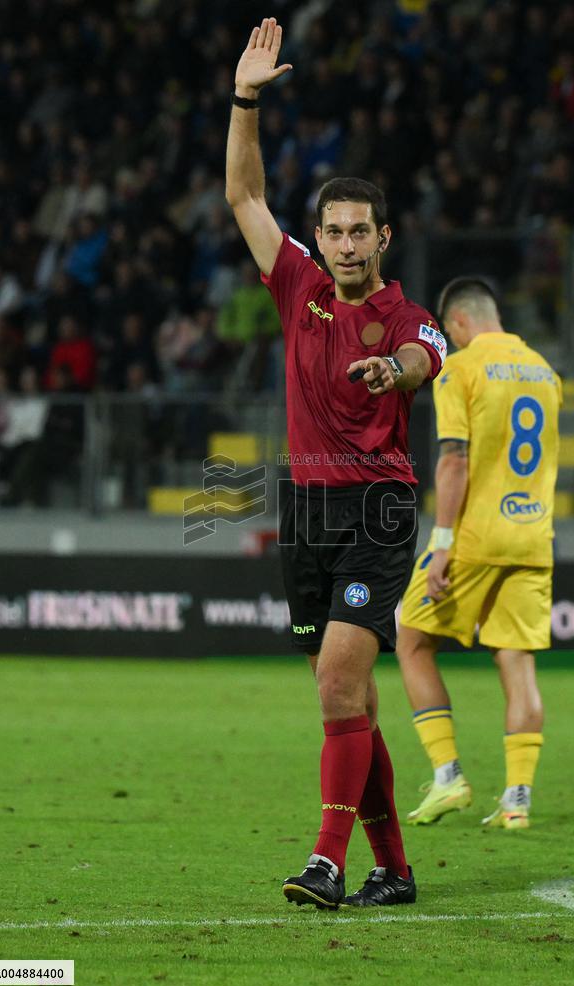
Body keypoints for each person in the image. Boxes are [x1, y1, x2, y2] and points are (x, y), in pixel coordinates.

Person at [225, 17, 446, 909]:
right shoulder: (298, 287)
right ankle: (394, 868)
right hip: (307, 514)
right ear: (318, 237)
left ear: (384, 239)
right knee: (344, 696)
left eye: (362, 232)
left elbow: (427, 358)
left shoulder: (403, 314)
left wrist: (393, 370)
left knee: (339, 683)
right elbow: (244, 199)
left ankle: (326, 859)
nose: (347, 245)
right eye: (334, 231)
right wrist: (244, 99)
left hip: (380, 510)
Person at [397, 277, 562, 831]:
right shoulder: (545, 372)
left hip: (475, 538)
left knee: (412, 640)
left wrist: (440, 545)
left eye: (448, 332)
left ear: (459, 322)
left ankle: (448, 776)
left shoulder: (461, 369)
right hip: (533, 537)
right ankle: (517, 800)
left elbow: (454, 462)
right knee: (516, 662)